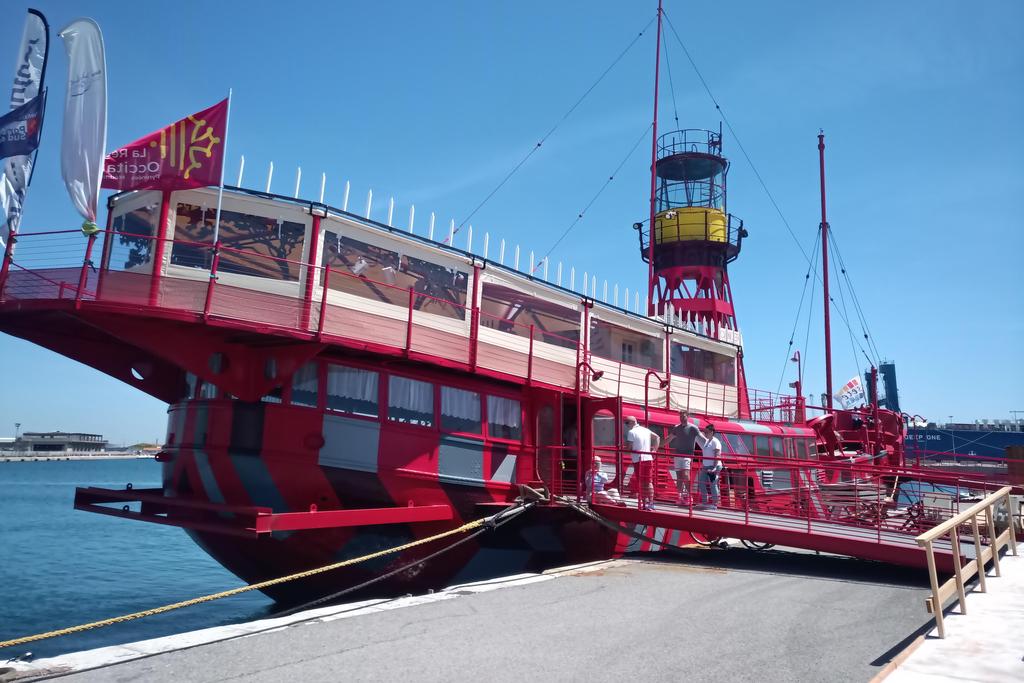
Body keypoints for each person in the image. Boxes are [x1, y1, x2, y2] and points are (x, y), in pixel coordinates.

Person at [624, 415, 660, 511]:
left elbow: (629, 447)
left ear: (632, 422)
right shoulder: (645, 430)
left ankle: (644, 503)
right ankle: (651, 503)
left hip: (638, 459)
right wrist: (654, 450)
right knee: (648, 482)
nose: (626, 425)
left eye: (626, 423)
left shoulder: (631, 432)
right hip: (648, 458)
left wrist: (624, 448)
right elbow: (657, 437)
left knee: (642, 482)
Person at [664, 409, 699, 505]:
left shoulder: (693, 428)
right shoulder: (676, 428)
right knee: (679, 476)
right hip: (677, 455)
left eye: (683, 416)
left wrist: (709, 446)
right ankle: (680, 496)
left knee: (686, 474)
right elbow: (669, 438)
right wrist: (659, 445)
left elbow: (701, 438)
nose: (681, 418)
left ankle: (689, 495)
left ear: (688, 417)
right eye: (680, 417)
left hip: (687, 455)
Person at [695, 423, 723, 509]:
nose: (705, 433)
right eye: (704, 432)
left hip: (714, 466)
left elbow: (717, 454)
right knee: (701, 482)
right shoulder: (707, 441)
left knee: (713, 484)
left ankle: (715, 504)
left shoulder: (715, 441)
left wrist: (714, 467)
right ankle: (704, 502)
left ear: (711, 432)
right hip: (706, 466)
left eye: (706, 432)